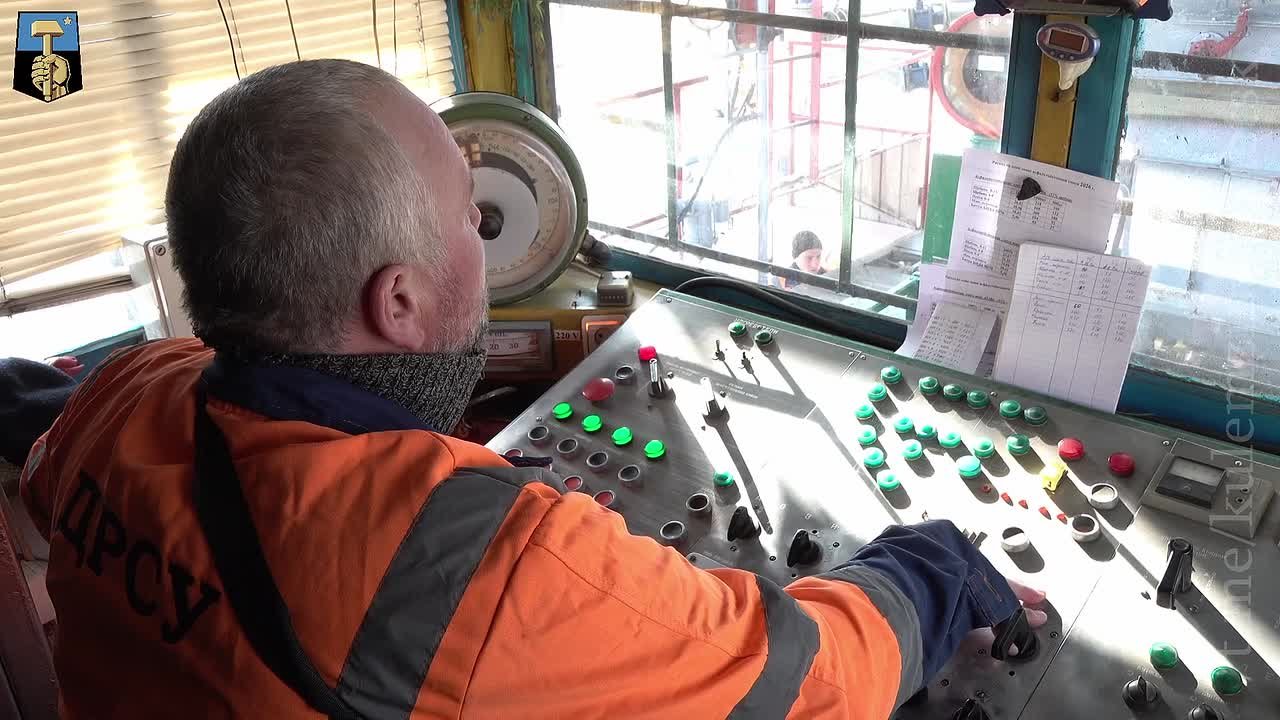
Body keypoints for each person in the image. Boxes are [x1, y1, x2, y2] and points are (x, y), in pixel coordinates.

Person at [21, 60, 1046, 719]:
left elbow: (40, 469)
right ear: (398, 302)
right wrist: (935, 568)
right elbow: (814, 680)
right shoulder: (485, 564)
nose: (483, 240)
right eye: (471, 218)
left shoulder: (123, 393)